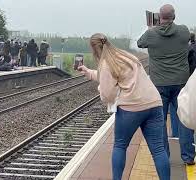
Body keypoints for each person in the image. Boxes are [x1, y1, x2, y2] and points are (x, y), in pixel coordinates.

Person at [79, 33, 170, 180]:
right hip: (153, 104)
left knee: (120, 146)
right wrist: (89, 73)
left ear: (94, 49)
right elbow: (110, 75)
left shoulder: (106, 63)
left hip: (131, 109)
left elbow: (107, 94)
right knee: (159, 150)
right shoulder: (125, 56)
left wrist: (100, 89)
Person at [137, 4, 195, 165]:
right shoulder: (183, 31)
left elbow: (139, 43)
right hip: (181, 84)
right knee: (184, 118)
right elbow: (190, 37)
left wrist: (150, 27)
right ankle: (188, 157)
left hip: (159, 85)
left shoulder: (150, 34)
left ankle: (164, 156)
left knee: (159, 121)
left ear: (159, 17)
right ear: (174, 16)